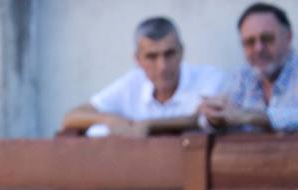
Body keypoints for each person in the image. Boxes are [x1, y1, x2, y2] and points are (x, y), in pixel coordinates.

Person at [62, 17, 225, 137]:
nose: (162, 66)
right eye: (152, 57)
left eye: (169, 53)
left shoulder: (209, 77)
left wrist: (145, 125)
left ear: (181, 52)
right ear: (137, 60)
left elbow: (203, 119)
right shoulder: (132, 83)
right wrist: (110, 120)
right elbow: (70, 117)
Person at [200, 3, 298, 133]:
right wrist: (214, 117)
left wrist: (249, 116)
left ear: (288, 37)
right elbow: (217, 121)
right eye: (249, 42)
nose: (258, 48)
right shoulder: (241, 77)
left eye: (267, 38)